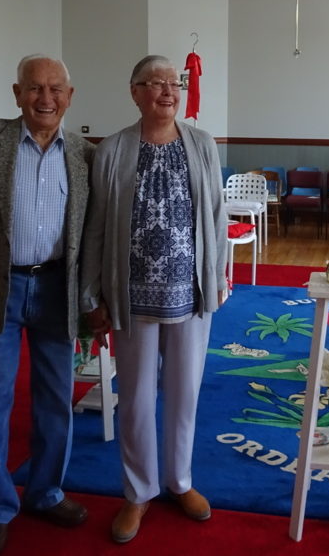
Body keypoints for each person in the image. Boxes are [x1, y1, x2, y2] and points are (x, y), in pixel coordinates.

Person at [0, 55, 94, 556]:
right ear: (16, 92)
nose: (45, 98)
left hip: (57, 290)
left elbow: (93, 234)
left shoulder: (86, 154)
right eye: (34, 88)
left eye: (55, 89)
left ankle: (46, 493)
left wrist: (96, 297)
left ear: (70, 96)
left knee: (55, 401)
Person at [80, 54, 227, 544]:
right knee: (137, 399)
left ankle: (180, 481)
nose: (168, 91)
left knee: (185, 393)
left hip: (190, 292)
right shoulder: (113, 149)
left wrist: (218, 275)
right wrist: (92, 293)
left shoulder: (202, 144)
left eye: (174, 83)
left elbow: (217, 214)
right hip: (131, 296)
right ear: (135, 92)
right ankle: (139, 491)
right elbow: (96, 227)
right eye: (156, 83)